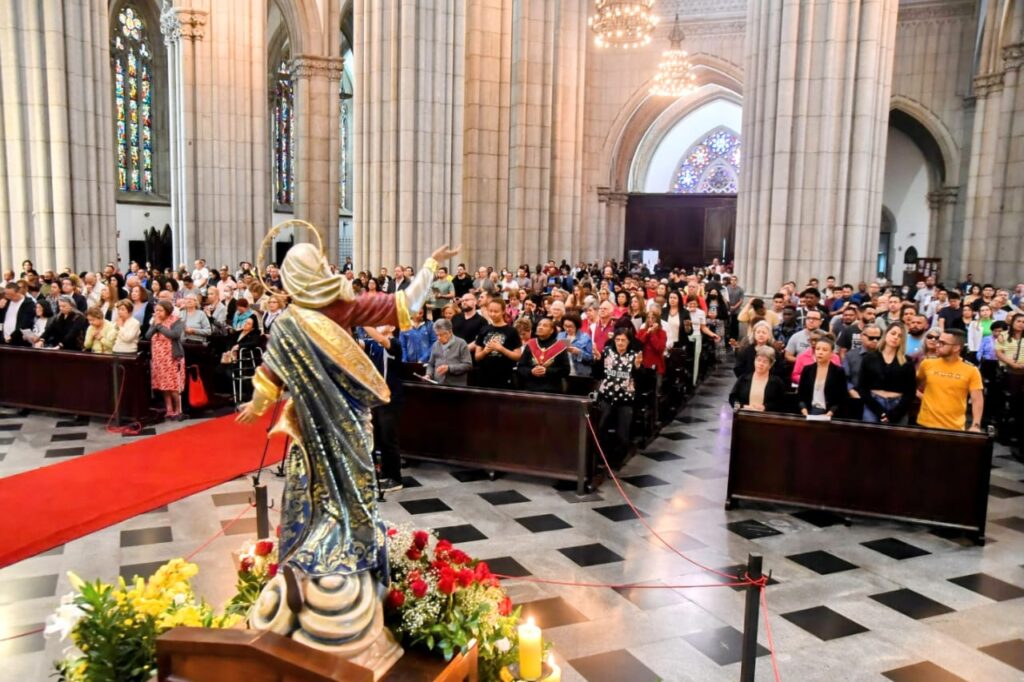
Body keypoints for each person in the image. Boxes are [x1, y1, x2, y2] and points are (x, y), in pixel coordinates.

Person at [362, 324, 404, 492]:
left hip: (390, 398)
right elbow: (354, 342)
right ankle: (383, 473)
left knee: (389, 439)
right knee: (376, 437)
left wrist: (363, 321)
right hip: (375, 398)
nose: (378, 326)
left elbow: (381, 339)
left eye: (382, 323)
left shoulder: (395, 344)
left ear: (392, 327)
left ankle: (395, 478)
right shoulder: (371, 344)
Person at [917, 329, 983, 432]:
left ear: (956, 347)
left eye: (942, 343)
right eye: (939, 341)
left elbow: (977, 400)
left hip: (954, 428)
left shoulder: (971, 370)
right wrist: (922, 397)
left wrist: (976, 425)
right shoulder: (927, 364)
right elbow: (912, 384)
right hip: (925, 424)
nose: (937, 345)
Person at [594, 328, 642, 469]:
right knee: (601, 428)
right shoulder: (607, 352)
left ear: (628, 342)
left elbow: (640, 379)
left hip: (625, 399)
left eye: (623, 340)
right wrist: (597, 360)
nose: (620, 343)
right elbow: (598, 374)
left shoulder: (634, 355)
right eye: (617, 340)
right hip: (606, 396)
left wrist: (638, 367)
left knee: (623, 432)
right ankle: (601, 459)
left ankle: (616, 461)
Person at [858, 323, 916, 424]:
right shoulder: (869, 358)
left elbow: (910, 391)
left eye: (900, 336)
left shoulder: (907, 361)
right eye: (893, 333)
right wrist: (879, 412)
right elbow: (862, 387)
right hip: (873, 404)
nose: (895, 337)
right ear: (886, 334)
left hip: (898, 405)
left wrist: (895, 413)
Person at [146, 300, 186, 420]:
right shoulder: (155, 321)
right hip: (159, 357)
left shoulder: (177, 320)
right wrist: (155, 325)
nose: (157, 313)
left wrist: (159, 326)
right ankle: (169, 409)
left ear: (167, 311)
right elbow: (147, 335)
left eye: (160, 310)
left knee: (173, 385)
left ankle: (178, 410)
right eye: (156, 310)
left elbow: (174, 335)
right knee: (164, 385)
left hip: (172, 357)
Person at [473, 298, 522, 388]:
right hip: (484, 376)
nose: (492, 314)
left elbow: (517, 356)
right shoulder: (484, 329)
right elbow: (477, 357)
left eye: (496, 311)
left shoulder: (512, 331)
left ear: (503, 311)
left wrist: (501, 349)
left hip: (504, 376)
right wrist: (485, 351)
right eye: (490, 311)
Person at [797, 336, 847, 417]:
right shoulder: (807, 370)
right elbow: (801, 395)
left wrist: (830, 413)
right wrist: (804, 410)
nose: (820, 352)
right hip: (809, 411)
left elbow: (842, 398)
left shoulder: (838, 372)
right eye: (817, 349)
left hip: (829, 412)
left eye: (824, 350)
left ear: (831, 353)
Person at [516, 317, 570, 392]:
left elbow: (565, 370)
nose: (540, 327)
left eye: (545, 325)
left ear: (551, 330)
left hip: (552, 389)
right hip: (530, 388)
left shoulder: (560, 346)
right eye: (539, 325)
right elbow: (521, 367)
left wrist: (547, 371)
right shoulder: (530, 344)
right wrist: (531, 371)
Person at [729, 345, 787, 412]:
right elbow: (732, 398)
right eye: (758, 360)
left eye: (765, 361)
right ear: (754, 361)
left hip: (767, 419)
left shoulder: (777, 382)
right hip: (744, 417)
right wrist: (743, 406)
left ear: (770, 365)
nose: (760, 364)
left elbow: (781, 402)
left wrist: (765, 407)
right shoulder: (743, 378)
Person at [427, 318, 472, 386]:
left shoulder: (461, 343)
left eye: (441, 334)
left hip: (456, 386)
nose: (438, 338)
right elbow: (430, 364)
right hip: (438, 385)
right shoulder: (435, 344)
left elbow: (468, 365)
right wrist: (428, 375)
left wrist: (449, 368)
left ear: (450, 332)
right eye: (437, 335)